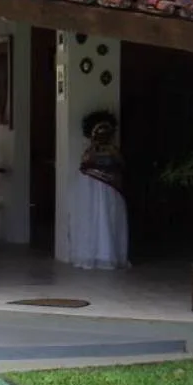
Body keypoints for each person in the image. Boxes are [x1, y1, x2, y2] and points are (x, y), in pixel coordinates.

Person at [68, 110, 129, 269]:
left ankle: (108, 254)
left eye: (106, 133)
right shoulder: (90, 151)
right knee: (92, 218)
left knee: (109, 218)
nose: (103, 136)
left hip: (110, 189)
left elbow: (121, 165)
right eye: (99, 133)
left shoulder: (114, 150)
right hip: (91, 189)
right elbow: (85, 165)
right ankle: (91, 253)